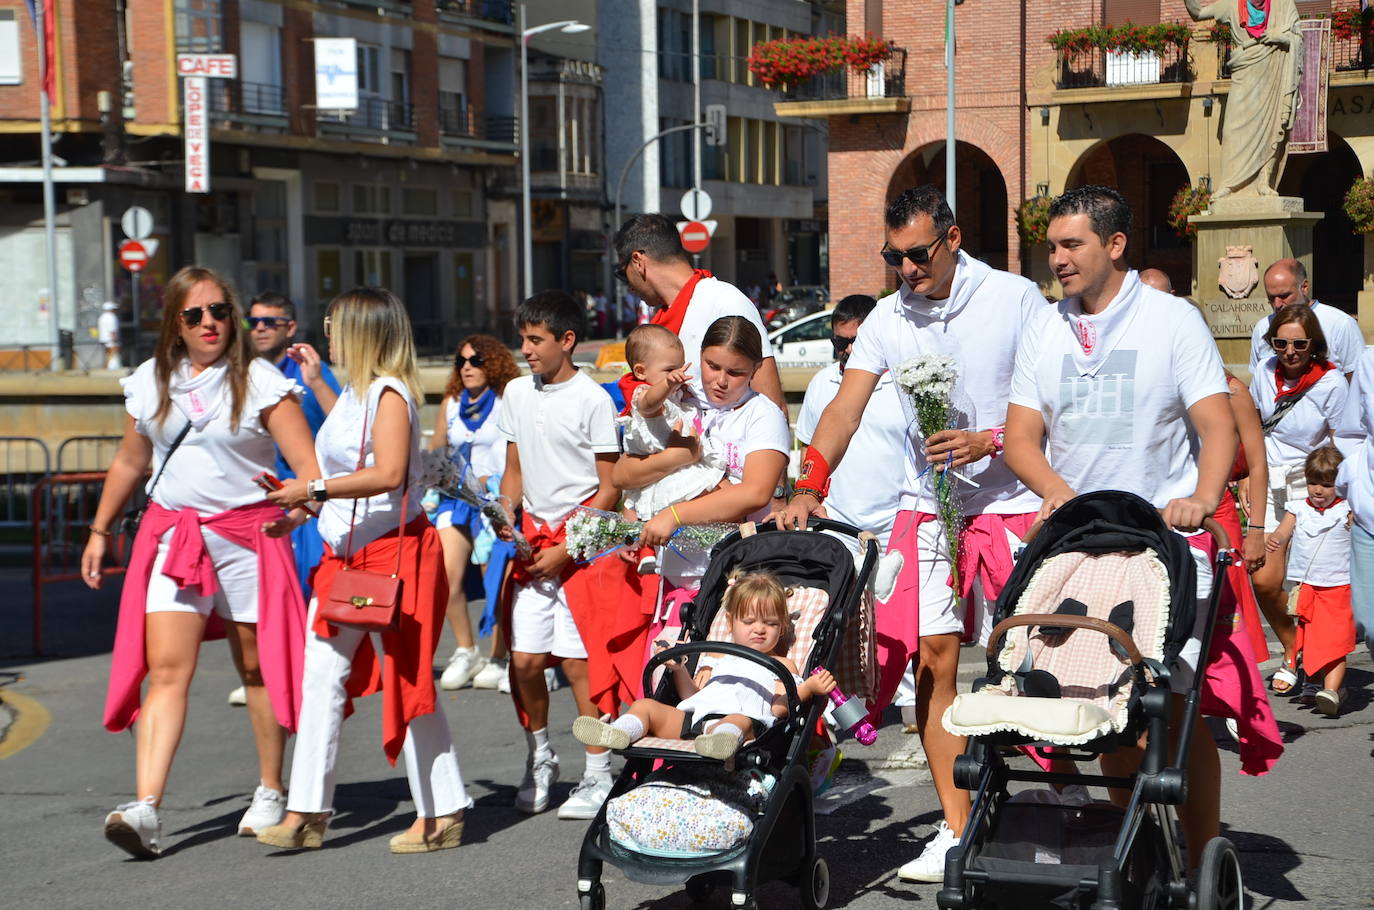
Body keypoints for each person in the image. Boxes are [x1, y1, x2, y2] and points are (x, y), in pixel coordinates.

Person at [779, 186, 1046, 883]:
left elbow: (1059, 395)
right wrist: (811, 483)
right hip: (924, 507)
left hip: (1012, 499)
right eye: (891, 256)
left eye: (917, 254)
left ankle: (1063, 808)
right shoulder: (889, 317)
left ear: (953, 239)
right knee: (935, 660)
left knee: (1032, 662)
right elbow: (843, 408)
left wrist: (993, 440)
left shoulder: (1014, 298)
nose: (905, 269)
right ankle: (957, 830)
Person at [1004, 185, 1238, 870]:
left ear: (1113, 245)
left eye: (1071, 244)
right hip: (1079, 546)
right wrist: (1059, 495)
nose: (1058, 259)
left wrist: (1202, 497)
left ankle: (1198, 857)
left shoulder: (1171, 320)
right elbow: (1022, 436)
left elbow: (1215, 423)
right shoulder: (1045, 326)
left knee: (1171, 704)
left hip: (1164, 544)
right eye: (1051, 247)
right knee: (1096, 700)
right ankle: (1131, 850)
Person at [81, 266, 320, 859]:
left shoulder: (263, 383)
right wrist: (97, 529)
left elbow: (311, 474)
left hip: (248, 537)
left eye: (219, 312)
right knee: (166, 669)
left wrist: (296, 511)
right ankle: (147, 809)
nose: (209, 323)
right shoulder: (150, 382)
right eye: (195, 315)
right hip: (176, 538)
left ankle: (270, 788)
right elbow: (131, 463)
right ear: (175, 324)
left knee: (256, 668)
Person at [260, 287, 471, 854]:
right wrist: (304, 508)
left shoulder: (391, 393)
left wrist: (310, 489)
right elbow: (354, 450)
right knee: (322, 678)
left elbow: (388, 471)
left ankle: (441, 812)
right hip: (351, 557)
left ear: (358, 330)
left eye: (333, 322)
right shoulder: (357, 393)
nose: (326, 329)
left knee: (408, 684)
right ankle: (307, 811)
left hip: (392, 555)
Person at [496, 290, 622, 820]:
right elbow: (514, 470)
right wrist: (504, 510)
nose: (525, 349)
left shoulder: (593, 400)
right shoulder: (517, 393)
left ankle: (597, 771)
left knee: (577, 665)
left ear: (567, 341)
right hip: (531, 549)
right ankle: (540, 756)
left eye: (535, 340)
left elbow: (610, 487)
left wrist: (572, 547)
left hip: (580, 552)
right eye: (522, 338)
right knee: (523, 661)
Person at [222, 291, 343, 709]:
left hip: (305, 502)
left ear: (290, 328)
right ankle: (266, 675)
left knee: (305, 591)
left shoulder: (312, 374)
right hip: (257, 504)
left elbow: (341, 430)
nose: (258, 328)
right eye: (252, 322)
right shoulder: (234, 374)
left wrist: (314, 498)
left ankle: (306, 676)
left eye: (269, 322)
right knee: (260, 599)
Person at [572, 570, 838, 759]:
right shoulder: (717, 655)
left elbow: (780, 709)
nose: (759, 629)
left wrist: (809, 688)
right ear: (732, 622)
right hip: (694, 720)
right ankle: (619, 732)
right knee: (645, 706)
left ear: (782, 629)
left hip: (742, 723)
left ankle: (722, 741)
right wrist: (678, 670)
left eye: (770, 623)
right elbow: (692, 695)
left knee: (739, 720)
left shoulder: (782, 663)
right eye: (749, 622)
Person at [1248, 303, 1348, 692]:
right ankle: (1294, 646)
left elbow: (1344, 439)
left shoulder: (1331, 383)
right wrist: (1246, 476)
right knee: (1263, 579)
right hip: (1267, 480)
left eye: (1299, 343)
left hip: (1310, 485)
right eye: (1280, 342)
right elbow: (1255, 426)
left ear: (1314, 344)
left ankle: (1304, 655)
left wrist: (1346, 496)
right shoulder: (1263, 371)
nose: (1289, 352)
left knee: (1308, 582)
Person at [613, 214, 786, 414]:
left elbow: (772, 404)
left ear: (637, 261)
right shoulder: (661, 319)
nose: (628, 287)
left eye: (622, 272)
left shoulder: (725, 302)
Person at [428, 334, 521, 690]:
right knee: (444, 577)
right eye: (461, 362)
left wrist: (496, 482)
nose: (467, 367)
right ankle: (466, 650)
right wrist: (434, 471)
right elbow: (437, 445)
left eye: (476, 361)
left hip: (495, 502)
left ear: (494, 363)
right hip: (456, 499)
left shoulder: (505, 400)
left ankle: (501, 657)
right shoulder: (451, 402)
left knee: (494, 581)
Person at [1267, 445, 1354, 715]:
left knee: (1335, 640)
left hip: (1339, 585)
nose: (1318, 490)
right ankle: (1312, 686)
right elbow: (1283, 531)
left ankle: (1331, 691)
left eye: (1326, 485)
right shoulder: (1297, 509)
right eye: (1313, 482)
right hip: (1306, 585)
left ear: (1339, 484)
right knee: (1309, 635)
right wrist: (1276, 539)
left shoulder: (1347, 509)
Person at [1183, 0, 1300, 198]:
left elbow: (1297, 37)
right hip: (1245, 70)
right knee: (1230, 130)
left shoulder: (1283, 4)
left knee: (1270, 127)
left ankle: (1264, 182)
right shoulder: (1232, 5)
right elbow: (1198, 13)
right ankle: (1229, 184)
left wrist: (1279, 36)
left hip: (1273, 70)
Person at [615, 323, 726, 526]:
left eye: (680, 366)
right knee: (717, 489)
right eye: (669, 370)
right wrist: (667, 384)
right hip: (668, 470)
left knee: (720, 490)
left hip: (678, 464)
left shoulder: (677, 396)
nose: (678, 374)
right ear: (640, 371)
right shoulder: (644, 394)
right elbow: (648, 406)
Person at [1247, 259, 1363, 377]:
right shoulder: (1263, 328)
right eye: (1271, 297)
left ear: (1304, 287)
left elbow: (1357, 379)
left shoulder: (1340, 324)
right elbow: (1258, 380)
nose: (1277, 304)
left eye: (1284, 296)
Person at [1335, 347, 1374, 662]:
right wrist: (1356, 482)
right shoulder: (1369, 360)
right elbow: (1350, 432)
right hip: (1370, 511)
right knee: (1369, 622)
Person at [98, 300, 122, 369]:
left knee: (108, 354)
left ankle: (107, 366)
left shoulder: (102, 317)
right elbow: (112, 331)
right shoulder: (112, 317)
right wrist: (115, 340)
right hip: (111, 339)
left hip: (104, 339)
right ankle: (112, 367)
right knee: (114, 354)